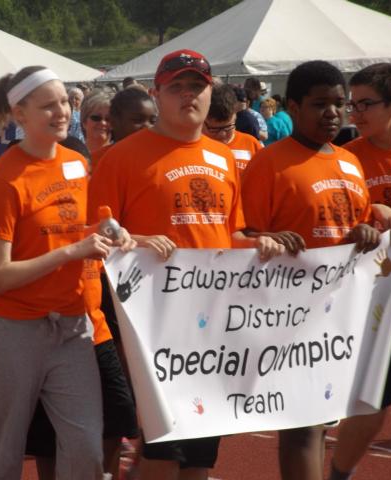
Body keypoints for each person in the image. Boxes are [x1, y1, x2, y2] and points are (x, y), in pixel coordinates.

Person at [89, 49, 283, 480]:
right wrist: (137, 239)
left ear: (211, 92)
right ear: (157, 94)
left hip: (213, 330)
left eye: (197, 86)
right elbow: (97, 233)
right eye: (177, 87)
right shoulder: (121, 158)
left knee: (198, 459)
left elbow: (228, 233)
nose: (188, 95)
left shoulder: (224, 159)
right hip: (154, 329)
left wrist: (257, 244)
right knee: (161, 455)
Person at [0, 65, 134, 480]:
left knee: (86, 450)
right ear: (20, 114)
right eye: (48, 106)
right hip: (12, 330)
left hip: (71, 327)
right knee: (0, 456)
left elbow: (82, 227)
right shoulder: (6, 178)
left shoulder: (76, 164)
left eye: (65, 101)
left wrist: (115, 233)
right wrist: (72, 251)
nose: (61, 112)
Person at [240, 60, 381, 480]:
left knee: (322, 421)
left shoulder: (350, 163)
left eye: (340, 104)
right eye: (320, 104)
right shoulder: (270, 164)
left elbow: (356, 224)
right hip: (287, 313)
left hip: (341, 315)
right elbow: (245, 234)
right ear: (294, 107)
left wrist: (365, 232)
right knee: (301, 425)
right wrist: (267, 239)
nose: (332, 114)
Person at [327, 62, 391, 480]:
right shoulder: (346, 158)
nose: (353, 115)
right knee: (371, 401)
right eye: (351, 105)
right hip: (370, 303)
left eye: (365, 105)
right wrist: (373, 209)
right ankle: (340, 474)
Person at [203, 84, 263, 171]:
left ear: (235, 117)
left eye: (228, 127)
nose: (222, 134)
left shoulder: (251, 145)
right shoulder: (194, 148)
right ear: (203, 121)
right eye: (214, 129)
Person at [81, 91, 113, 155]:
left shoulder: (121, 156)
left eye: (108, 119)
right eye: (96, 118)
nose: (103, 123)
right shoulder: (73, 157)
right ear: (84, 121)